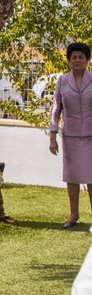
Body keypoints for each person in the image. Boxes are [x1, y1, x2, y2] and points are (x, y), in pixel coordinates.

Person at [49, 42, 92, 228]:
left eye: (81, 57)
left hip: (91, 135)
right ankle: (73, 214)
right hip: (70, 136)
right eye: (73, 57)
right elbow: (56, 108)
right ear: (68, 60)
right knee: (72, 176)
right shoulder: (62, 80)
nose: (77, 60)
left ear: (87, 60)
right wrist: (52, 135)